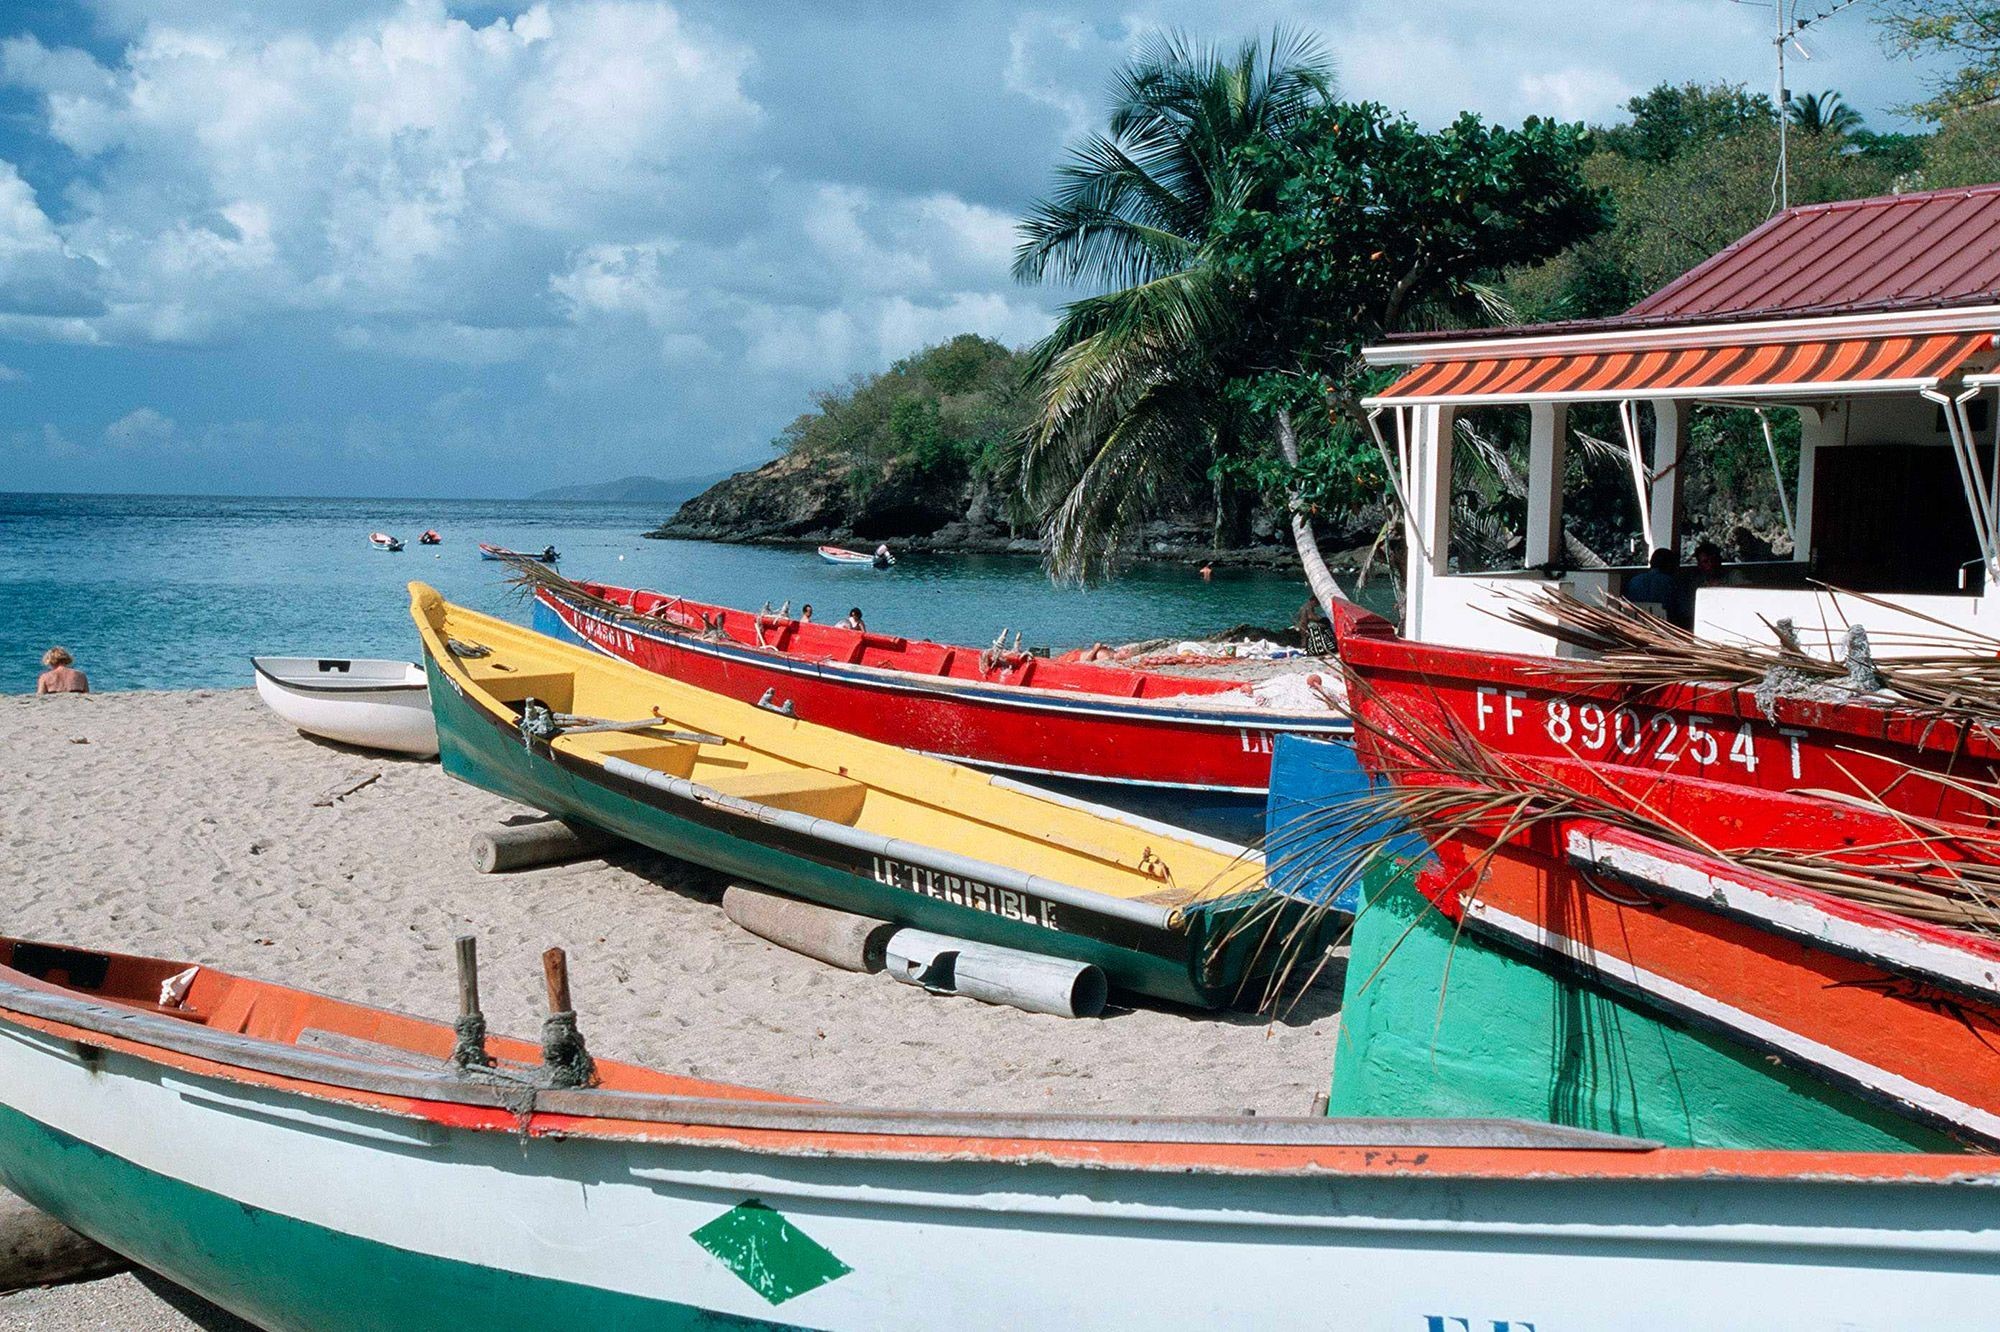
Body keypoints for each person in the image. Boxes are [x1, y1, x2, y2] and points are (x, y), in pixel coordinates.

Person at [1624, 548, 1681, 620]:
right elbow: (1680, 610)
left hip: (1635, 622)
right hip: (1663, 625)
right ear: (1670, 565)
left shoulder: (1634, 580)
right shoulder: (1670, 582)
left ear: (1651, 562)